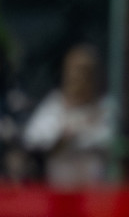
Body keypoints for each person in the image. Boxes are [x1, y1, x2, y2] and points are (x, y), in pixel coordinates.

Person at [23, 42, 116, 188]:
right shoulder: (54, 104)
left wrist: (78, 137)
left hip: (96, 192)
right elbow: (33, 137)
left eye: (84, 72)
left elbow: (111, 140)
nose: (78, 78)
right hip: (60, 191)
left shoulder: (106, 107)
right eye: (73, 71)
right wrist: (61, 138)